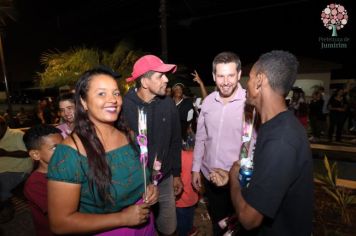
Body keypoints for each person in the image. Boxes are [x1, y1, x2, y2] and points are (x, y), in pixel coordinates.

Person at [210, 50, 314, 235]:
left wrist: (234, 177)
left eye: (249, 78)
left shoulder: (281, 140)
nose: (246, 84)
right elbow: (266, 181)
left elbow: (250, 219)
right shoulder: (273, 127)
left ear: (259, 81)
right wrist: (235, 179)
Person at [47, 67, 158, 235]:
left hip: (145, 224)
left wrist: (149, 187)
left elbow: (142, 174)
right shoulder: (69, 154)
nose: (112, 100)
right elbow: (60, 223)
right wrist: (122, 219)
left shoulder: (130, 135)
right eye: (101, 94)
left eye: (116, 93)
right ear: (83, 102)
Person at [122, 54, 183, 236]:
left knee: (168, 227)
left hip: (162, 178)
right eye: (160, 76)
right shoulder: (123, 108)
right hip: (135, 183)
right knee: (142, 230)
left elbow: (175, 140)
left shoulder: (168, 104)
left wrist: (176, 173)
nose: (166, 79)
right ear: (145, 82)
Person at [191, 51, 246, 236]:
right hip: (210, 176)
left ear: (239, 74)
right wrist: (196, 168)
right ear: (214, 76)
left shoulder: (250, 104)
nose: (226, 81)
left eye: (231, 75)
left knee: (239, 225)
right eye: (221, 76)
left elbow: (256, 144)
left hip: (239, 180)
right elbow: (200, 137)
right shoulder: (207, 102)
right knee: (218, 222)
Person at [23, 124, 63, 236]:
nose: (64, 151)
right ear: (36, 154)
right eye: (54, 148)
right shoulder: (35, 184)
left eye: (64, 145)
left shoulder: (65, 169)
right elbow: (62, 216)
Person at [0, 115, 33, 223]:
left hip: (19, 170)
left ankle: (7, 206)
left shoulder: (17, 135)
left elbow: (29, 153)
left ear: (3, 126)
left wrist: (6, 153)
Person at [175, 124, 199, 236]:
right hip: (190, 197)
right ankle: (187, 230)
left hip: (178, 198)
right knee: (186, 219)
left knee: (180, 218)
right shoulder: (196, 157)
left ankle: (185, 229)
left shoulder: (175, 156)